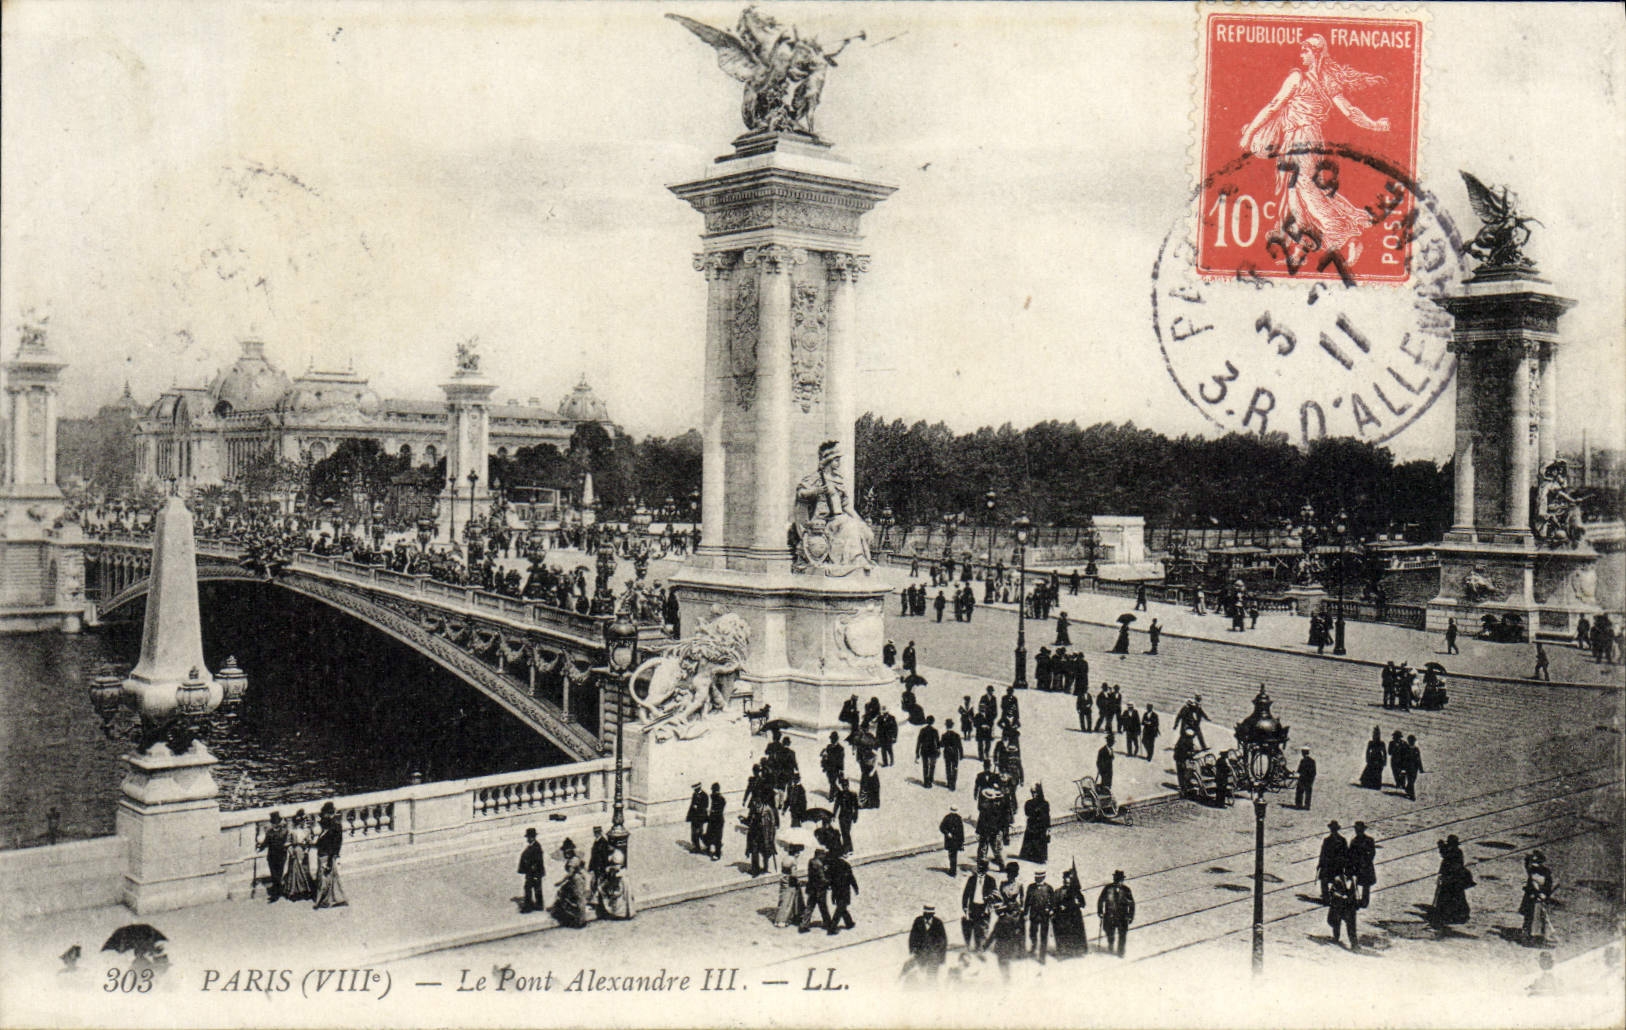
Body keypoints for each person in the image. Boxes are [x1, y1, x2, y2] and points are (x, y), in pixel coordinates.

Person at [984, 862, 1027, 976]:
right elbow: (1000, 898)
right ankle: (996, 949)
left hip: (1015, 911)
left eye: (1011, 874)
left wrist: (1020, 910)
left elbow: (1022, 900)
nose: (1009, 876)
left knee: (1017, 932)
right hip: (1005, 910)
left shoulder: (1019, 885)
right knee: (1000, 928)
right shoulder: (1003, 884)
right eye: (1008, 874)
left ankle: (1018, 953)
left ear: (1015, 874)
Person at [1431, 835, 1475, 925]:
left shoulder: (1456, 852)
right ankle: (1449, 915)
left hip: (1453, 878)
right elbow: (1445, 853)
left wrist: (1441, 845)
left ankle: (1450, 915)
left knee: (1451, 896)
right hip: (1451, 878)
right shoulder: (1455, 850)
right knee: (1453, 896)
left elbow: (1446, 855)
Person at [313, 804, 347, 910]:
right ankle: (335, 898)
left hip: (327, 855)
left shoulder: (333, 827)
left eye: (324, 814)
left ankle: (324, 900)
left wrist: (331, 859)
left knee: (325, 878)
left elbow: (335, 844)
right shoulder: (329, 826)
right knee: (330, 877)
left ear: (329, 814)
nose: (322, 817)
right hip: (325, 854)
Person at [1051, 867, 1089, 958]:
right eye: (1065, 880)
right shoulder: (1058, 891)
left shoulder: (1076, 892)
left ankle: (1077, 952)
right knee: (1064, 935)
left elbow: (1083, 903)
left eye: (1068, 880)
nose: (1066, 882)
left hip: (1074, 918)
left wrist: (1078, 903)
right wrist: (1058, 908)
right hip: (1063, 918)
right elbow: (1054, 904)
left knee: (1075, 935)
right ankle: (1064, 952)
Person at [961, 859, 997, 950]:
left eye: (983, 869)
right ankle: (971, 946)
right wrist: (965, 907)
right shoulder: (972, 879)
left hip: (984, 908)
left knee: (982, 930)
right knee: (972, 927)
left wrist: (989, 908)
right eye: (979, 869)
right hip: (973, 907)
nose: (981, 871)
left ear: (987, 869)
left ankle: (980, 948)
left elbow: (995, 896)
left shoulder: (991, 880)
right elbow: (966, 894)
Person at [1098, 870, 1136, 957]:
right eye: (1116, 879)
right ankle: (1110, 944)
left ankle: (1121, 952)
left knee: (1122, 934)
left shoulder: (1126, 890)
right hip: (1110, 915)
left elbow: (1131, 904)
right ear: (1114, 879)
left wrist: (1130, 916)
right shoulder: (1108, 889)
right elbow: (1101, 900)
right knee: (1109, 932)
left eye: (1120, 880)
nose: (1118, 882)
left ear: (1122, 880)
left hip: (1122, 916)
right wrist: (1100, 911)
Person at [1519, 851, 1555, 945]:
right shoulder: (1531, 870)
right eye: (1533, 862)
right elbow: (1527, 865)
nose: (1534, 864)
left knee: (1541, 918)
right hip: (1531, 898)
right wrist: (1528, 858)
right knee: (1529, 918)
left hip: (1540, 899)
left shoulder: (1546, 873)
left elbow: (1548, 885)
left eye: (1537, 862)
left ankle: (1541, 938)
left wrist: (1544, 894)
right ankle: (1526, 937)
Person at [907, 905, 948, 979]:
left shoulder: (938, 923)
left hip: (934, 955)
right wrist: (912, 951)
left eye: (930, 914)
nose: (927, 916)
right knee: (920, 975)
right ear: (923, 913)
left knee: (932, 976)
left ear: (933, 914)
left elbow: (943, 941)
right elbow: (912, 937)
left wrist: (942, 959)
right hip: (921, 954)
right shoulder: (918, 921)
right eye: (925, 913)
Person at [1327, 866, 1361, 951]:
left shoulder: (1354, 880)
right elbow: (1332, 892)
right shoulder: (1337, 879)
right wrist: (1341, 896)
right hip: (1339, 905)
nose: (1350, 873)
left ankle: (1354, 944)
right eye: (1348, 871)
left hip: (1350, 906)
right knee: (1336, 923)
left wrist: (1355, 900)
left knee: (1351, 926)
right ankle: (1336, 938)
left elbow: (1356, 892)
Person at [282, 810, 313, 901]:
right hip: (296, 851)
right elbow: (287, 843)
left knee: (304, 870)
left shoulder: (307, 831)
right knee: (294, 870)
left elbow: (309, 842)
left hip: (303, 851)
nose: (302, 823)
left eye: (303, 821)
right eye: (301, 821)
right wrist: (291, 852)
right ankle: (294, 891)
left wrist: (307, 849)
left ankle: (306, 890)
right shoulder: (292, 832)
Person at [799, 847, 832, 933]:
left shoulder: (811, 861)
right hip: (820, 889)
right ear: (819, 855)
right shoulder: (819, 864)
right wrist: (830, 882)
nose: (825, 856)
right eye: (823, 854)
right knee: (823, 906)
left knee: (810, 906)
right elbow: (822, 879)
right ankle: (827, 923)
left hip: (811, 888)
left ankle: (804, 924)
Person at [825, 850, 859, 935]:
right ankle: (832, 928)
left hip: (836, 890)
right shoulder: (845, 865)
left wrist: (830, 888)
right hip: (844, 890)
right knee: (840, 908)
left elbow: (829, 880)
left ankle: (849, 923)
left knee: (841, 907)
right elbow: (851, 877)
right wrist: (855, 888)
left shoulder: (831, 866)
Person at [1025, 869, 1055, 963]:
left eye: (1039, 878)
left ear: (1043, 877)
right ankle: (1033, 948)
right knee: (1032, 933)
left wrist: (1051, 910)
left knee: (1043, 936)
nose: (1037, 879)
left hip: (1044, 916)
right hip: (1034, 915)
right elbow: (1027, 901)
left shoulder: (1048, 888)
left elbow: (1053, 902)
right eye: (1036, 877)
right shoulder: (1031, 887)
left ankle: (1042, 956)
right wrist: (1026, 913)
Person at [259, 811, 289, 903]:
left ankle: (276, 894)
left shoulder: (284, 831)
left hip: (280, 856)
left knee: (278, 875)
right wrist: (260, 848)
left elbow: (286, 842)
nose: (275, 824)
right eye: (274, 822)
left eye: (276, 822)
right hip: (272, 856)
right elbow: (265, 843)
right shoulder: (270, 832)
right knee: (274, 874)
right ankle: (277, 891)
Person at [553, 855, 590, 928]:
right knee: (579, 899)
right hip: (579, 879)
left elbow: (570, 873)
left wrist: (560, 882)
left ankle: (579, 921)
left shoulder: (572, 861)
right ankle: (580, 920)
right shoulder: (576, 858)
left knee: (578, 900)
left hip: (576, 880)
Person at [596, 849, 633, 920]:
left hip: (621, 879)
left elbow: (617, 865)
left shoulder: (617, 855)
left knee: (622, 897)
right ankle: (622, 913)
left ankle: (622, 913)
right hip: (620, 877)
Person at [747, 797, 779, 876]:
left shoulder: (767, 809)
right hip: (755, 833)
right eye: (755, 805)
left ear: (760, 803)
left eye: (758, 805)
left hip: (765, 834)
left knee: (765, 850)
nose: (756, 807)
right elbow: (749, 820)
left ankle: (765, 868)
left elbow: (773, 822)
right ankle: (755, 869)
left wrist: (771, 835)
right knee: (754, 851)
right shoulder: (753, 809)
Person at [1018, 784, 1050, 864]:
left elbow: (1047, 816)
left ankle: (1040, 857)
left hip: (1041, 826)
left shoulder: (1045, 803)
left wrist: (1048, 828)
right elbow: (1027, 813)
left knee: (1040, 842)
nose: (1033, 794)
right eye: (1032, 792)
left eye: (1035, 792)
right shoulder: (1028, 803)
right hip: (1032, 825)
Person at [773, 848, 805, 928]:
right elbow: (793, 874)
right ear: (794, 853)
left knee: (783, 900)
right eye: (798, 852)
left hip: (784, 880)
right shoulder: (793, 861)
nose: (799, 854)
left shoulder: (785, 858)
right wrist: (799, 881)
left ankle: (778, 920)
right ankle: (782, 921)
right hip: (790, 882)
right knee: (788, 901)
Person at [1349, 821, 1377, 907]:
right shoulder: (1354, 841)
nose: (1357, 831)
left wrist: (1366, 862)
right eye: (1356, 830)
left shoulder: (1369, 840)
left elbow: (1372, 852)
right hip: (1357, 865)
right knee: (1353, 883)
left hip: (1366, 865)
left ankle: (1365, 901)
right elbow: (1350, 854)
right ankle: (1352, 900)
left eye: (1359, 830)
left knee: (1366, 885)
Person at [1317, 821, 1348, 902]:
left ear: (1337, 829)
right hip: (1328, 864)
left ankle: (1338, 895)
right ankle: (1326, 897)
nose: (1333, 830)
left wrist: (1344, 864)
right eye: (1332, 829)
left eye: (1334, 829)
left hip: (1338, 865)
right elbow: (1323, 853)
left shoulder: (1342, 840)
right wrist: (1320, 864)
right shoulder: (1327, 840)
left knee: (1338, 881)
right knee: (1324, 880)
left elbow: (1346, 853)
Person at [518, 827, 546, 913]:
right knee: (534, 888)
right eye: (528, 837)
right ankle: (538, 905)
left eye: (529, 837)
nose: (528, 839)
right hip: (532, 872)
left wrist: (532, 870)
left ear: (533, 837)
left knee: (530, 888)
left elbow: (537, 861)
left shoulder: (536, 846)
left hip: (534, 872)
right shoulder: (532, 846)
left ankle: (529, 907)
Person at [588, 826, 614, 901]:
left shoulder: (603, 842)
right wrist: (591, 867)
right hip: (596, 866)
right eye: (595, 833)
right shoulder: (596, 842)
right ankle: (596, 898)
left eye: (597, 833)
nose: (595, 834)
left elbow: (605, 856)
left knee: (600, 883)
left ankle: (599, 899)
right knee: (595, 882)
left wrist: (605, 866)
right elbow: (593, 856)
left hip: (601, 867)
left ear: (600, 832)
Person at [834, 776, 859, 853]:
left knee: (846, 832)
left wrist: (855, 817)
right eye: (843, 786)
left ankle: (848, 848)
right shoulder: (840, 795)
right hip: (843, 816)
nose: (844, 787)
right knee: (845, 832)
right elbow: (836, 805)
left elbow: (856, 807)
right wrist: (834, 815)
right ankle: (849, 848)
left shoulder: (853, 795)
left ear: (848, 786)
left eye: (845, 786)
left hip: (848, 816)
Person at [916, 715, 941, 789]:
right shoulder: (935, 731)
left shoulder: (922, 730)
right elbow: (937, 742)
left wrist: (917, 752)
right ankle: (930, 779)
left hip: (924, 751)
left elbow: (919, 742)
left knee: (925, 766)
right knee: (932, 766)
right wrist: (938, 750)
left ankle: (926, 782)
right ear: (933, 722)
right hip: (933, 751)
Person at [939, 807, 965, 876]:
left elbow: (941, 827)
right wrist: (962, 842)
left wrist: (947, 833)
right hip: (956, 840)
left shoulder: (947, 817)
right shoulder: (959, 818)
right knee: (954, 855)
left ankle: (952, 870)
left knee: (951, 855)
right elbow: (961, 831)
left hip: (950, 840)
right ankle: (953, 870)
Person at [706, 782, 728, 861]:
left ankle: (717, 853)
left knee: (718, 837)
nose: (713, 792)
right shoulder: (713, 797)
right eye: (712, 790)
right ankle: (708, 848)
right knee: (709, 834)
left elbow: (720, 810)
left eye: (714, 790)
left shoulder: (721, 799)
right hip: (712, 819)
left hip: (718, 820)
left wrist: (714, 811)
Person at [820, 732, 845, 799]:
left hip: (835, 768)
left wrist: (841, 770)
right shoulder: (829, 746)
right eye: (831, 739)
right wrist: (823, 754)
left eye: (833, 739)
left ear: (836, 739)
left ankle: (832, 796)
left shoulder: (840, 748)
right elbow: (824, 755)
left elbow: (841, 760)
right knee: (831, 781)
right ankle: (836, 793)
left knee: (832, 782)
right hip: (828, 767)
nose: (831, 740)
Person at [686, 783, 710, 853]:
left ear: (699, 787)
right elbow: (692, 805)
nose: (695, 790)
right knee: (693, 832)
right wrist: (689, 816)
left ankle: (706, 846)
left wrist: (697, 807)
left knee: (699, 832)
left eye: (696, 788)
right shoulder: (694, 794)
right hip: (694, 817)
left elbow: (705, 806)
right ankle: (696, 847)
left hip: (700, 817)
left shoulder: (704, 795)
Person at [940, 721, 964, 791]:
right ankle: (953, 784)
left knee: (948, 768)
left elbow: (941, 745)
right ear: (952, 726)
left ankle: (948, 782)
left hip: (947, 754)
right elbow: (960, 746)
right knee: (955, 768)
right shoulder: (957, 735)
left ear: (946, 726)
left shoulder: (944, 735)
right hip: (955, 754)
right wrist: (961, 755)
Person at [1402, 734, 1425, 800]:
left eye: (1413, 741)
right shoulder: (1405, 749)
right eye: (1411, 741)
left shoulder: (1416, 749)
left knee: (1412, 780)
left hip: (1415, 768)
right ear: (1409, 741)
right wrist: (1402, 768)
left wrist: (1421, 769)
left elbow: (1419, 759)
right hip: (1408, 768)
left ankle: (1407, 788)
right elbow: (1403, 759)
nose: (1412, 742)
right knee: (1411, 781)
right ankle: (1412, 795)